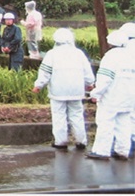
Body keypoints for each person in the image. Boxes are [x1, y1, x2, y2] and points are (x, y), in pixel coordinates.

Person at [32, 28, 95, 150]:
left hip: (58, 90)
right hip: (76, 91)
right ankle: (81, 141)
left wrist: (38, 85)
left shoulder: (52, 54)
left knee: (59, 115)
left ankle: (61, 142)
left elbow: (45, 72)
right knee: (77, 115)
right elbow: (87, 71)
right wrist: (90, 83)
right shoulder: (78, 53)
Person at [87, 23, 135, 161]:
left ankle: (101, 151)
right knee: (124, 123)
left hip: (112, 98)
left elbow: (105, 80)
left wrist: (95, 94)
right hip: (129, 97)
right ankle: (122, 151)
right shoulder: (130, 57)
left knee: (105, 123)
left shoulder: (110, 57)